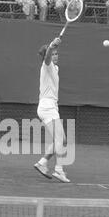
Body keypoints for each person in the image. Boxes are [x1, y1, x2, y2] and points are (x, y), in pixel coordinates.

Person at [33, 37, 70, 183]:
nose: (56, 55)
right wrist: (51, 46)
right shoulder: (46, 65)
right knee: (60, 139)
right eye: (53, 53)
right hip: (47, 106)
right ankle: (59, 170)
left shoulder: (55, 68)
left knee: (63, 140)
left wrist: (52, 47)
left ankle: (42, 163)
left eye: (56, 53)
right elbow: (47, 57)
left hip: (51, 106)